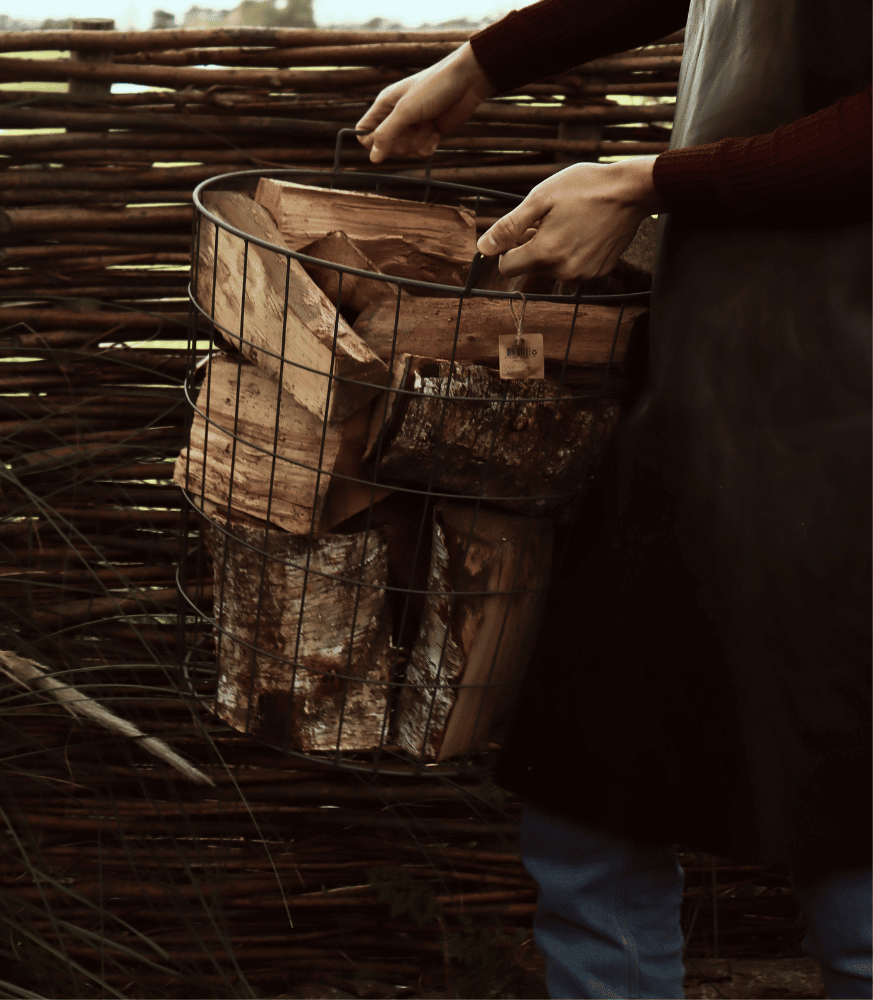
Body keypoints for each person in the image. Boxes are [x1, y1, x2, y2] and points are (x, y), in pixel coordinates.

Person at [356, 2, 872, 997]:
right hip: (708, 399)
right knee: (590, 814)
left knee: (855, 842)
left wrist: (644, 182)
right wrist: (482, 60)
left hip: (852, 430)